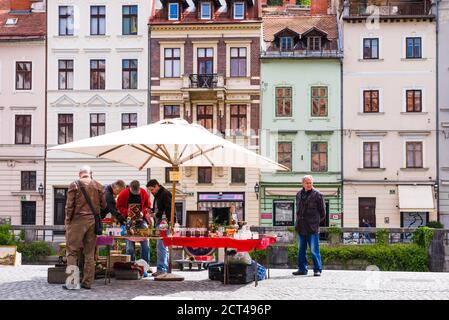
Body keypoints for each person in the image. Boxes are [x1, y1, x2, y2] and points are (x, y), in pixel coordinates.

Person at [64, 165, 106, 290]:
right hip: (92, 221)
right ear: (90, 174)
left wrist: (68, 221)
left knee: (72, 251)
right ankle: (87, 282)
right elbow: (104, 206)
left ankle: (72, 283)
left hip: (77, 220)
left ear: (79, 174)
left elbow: (69, 206)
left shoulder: (74, 184)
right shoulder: (98, 185)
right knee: (90, 253)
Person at [293, 175, 326, 277]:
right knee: (301, 250)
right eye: (307, 183)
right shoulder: (298, 194)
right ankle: (302, 269)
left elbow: (323, 213)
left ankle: (317, 269)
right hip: (301, 226)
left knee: (314, 250)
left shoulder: (318, 195)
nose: (309, 185)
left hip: (312, 228)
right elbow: (298, 210)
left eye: (310, 183)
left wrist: (315, 223)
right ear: (303, 184)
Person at [117, 180, 151, 265]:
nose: (136, 193)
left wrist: (143, 212)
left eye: (137, 192)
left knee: (145, 244)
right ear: (130, 188)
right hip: (128, 221)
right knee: (130, 247)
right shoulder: (124, 193)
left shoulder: (143, 192)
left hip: (141, 220)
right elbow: (118, 206)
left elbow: (148, 206)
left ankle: (145, 265)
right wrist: (127, 212)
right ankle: (131, 265)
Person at [146, 179, 171, 277]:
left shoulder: (165, 194)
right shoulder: (158, 195)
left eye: (152, 189)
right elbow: (160, 208)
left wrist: (155, 214)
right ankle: (164, 268)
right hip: (160, 223)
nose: (151, 192)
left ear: (157, 186)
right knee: (163, 246)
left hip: (163, 224)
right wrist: (152, 211)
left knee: (161, 246)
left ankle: (162, 269)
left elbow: (168, 210)